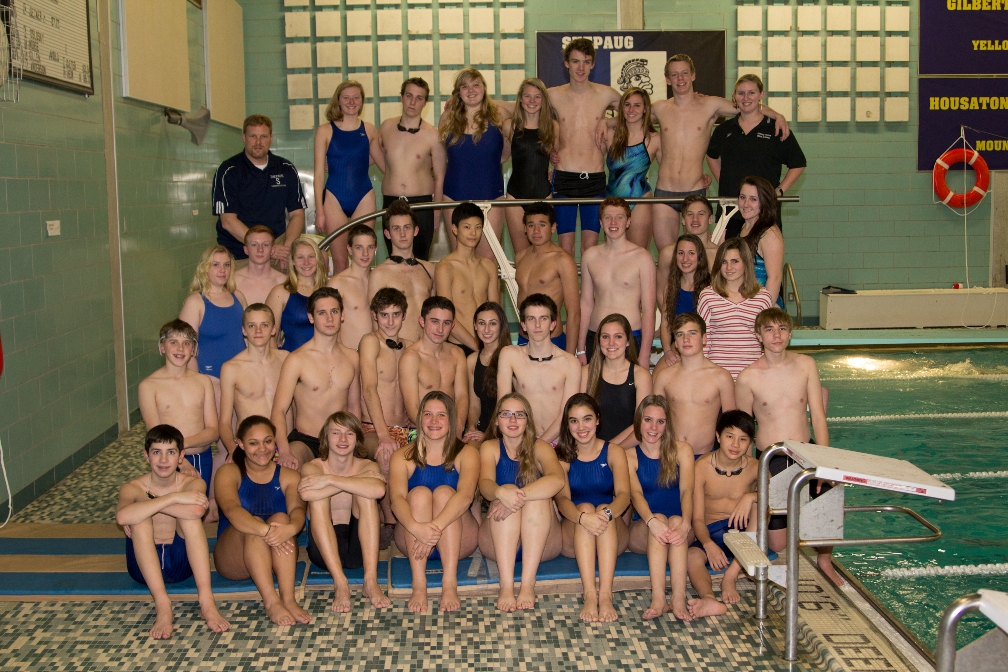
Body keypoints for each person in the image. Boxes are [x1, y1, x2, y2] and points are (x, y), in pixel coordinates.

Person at [735, 308, 842, 585]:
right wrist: (751, 475)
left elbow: (817, 415)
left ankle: (824, 560)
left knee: (830, 498)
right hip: (772, 458)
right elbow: (744, 431)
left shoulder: (806, 364)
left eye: (782, 329)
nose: (776, 335)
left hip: (806, 450)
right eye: (769, 329)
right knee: (779, 545)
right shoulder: (748, 377)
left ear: (791, 333)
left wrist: (826, 462)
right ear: (758, 335)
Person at [640, 55, 787, 251]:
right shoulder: (659, 108)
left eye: (684, 73)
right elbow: (629, 116)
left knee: (697, 256)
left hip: (694, 190)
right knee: (667, 255)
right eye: (674, 74)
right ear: (667, 79)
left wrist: (777, 115)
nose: (680, 78)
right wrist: (606, 122)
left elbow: (747, 105)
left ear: (693, 75)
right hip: (664, 192)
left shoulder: (710, 105)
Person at [115, 424, 229, 639]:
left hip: (181, 563)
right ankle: (163, 605)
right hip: (142, 569)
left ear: (181, 457)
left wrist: (144, 505)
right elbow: (122, 517)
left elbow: (196, 510)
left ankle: (207, 602)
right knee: (140, 522)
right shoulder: (132, 488)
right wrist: (172, 498)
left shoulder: (193, 483)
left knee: (189, 519)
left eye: (171, 452)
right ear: (146, 456)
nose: (164, 460)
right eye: (156, 452)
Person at [213, 415, 311, 626]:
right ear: (239, 444)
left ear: (275, 441)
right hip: (234, 557)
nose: (262, 449)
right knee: (254, 525)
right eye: (253, 443)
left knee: (282, 519)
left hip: (278, 553)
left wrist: (290, 528)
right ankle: (271, 601)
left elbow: (297, 510)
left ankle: (288, 598)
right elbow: (231, 510)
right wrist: (267, 532)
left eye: (267, 441)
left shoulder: (289, 476)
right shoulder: (228, 472)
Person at [389, 391, 480, 613]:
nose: (434, 421)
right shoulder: (402, 456)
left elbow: (466, 496)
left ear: (451, 419)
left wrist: (433, 531)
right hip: (414, 540)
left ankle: (449, 583)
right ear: (419, 419)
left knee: (445, 494)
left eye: (441, 415)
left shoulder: (467, 453)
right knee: (418, 494)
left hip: (457, 539)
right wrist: (417, 528)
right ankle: (419, 584)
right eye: (428, 414)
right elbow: (396, 500)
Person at [477, 393, 565, 611]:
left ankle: (528, 584)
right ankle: (506, 585)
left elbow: (557, 480)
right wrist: (500, 492)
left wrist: (517, 497)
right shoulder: (489, 448)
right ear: (496, 421)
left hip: (541, 543)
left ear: (528, 421)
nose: (513, 420)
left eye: (519, 415)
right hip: (499, 541)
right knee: (505, 490)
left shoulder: (541, 447)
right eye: (506, 414)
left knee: (535, 498)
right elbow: (485, 485)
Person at [298, 411, 392, 611]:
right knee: (318, 498)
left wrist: (330, 480)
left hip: (358, 549)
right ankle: (340, 583)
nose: (342, 439)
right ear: (325, 438)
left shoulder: (367, 465)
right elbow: (307, 495)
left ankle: (370, 581)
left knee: (366, 496)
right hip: (322, 553)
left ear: (357, 439)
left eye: (349, 433)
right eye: (336, 433)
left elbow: (379, 490)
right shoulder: (313, 466)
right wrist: (356, 481)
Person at [554, 393, 631, 623]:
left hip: (610, 530)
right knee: (586, 506)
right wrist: (582, 517)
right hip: (574, 531)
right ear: (567, 425)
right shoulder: (562, 456)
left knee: (603, 507)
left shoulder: (614, 451)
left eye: (587, 419)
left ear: (598, 419)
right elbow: (562, 501)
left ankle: (605, 595)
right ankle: (590, 594)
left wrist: (605, 514)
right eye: (574, 421)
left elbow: (625, 496)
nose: (581, 427)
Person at [271, 287, 361, 469]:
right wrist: (284, 451)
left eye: (334, 311)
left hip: (342, 441)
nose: (329, 319)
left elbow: (353, 407)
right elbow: (278, 410)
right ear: (311, 317)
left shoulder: (352, 357)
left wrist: (356, 443)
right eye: (322, 313)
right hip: (306, 441)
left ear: (342, 315)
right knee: (290, 466)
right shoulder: (296, 359)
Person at [547, 38, 621, 255]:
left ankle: (589, 291)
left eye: (586, 62)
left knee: (591, 248)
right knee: (565, 248)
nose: (581, 67)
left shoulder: (606, 94)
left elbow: (639, 110)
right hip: (564, 178)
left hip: (594, 179)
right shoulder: (553, 95)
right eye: (576, 61)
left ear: (593, 64)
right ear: (566, 63)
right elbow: (521, 106)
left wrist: (608, 121)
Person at [624, 396, 695, 621]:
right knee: (660, 518)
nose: (653, 428)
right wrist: (652, 522)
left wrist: (685, 524)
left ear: (667, 425)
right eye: (648, 420)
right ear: (638, 422)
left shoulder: (682, 450)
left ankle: (678, 597)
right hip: (644, 528)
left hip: (678, 530)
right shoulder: (629, 456)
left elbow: (687, 492)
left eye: (660, 422)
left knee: (673, 520)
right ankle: (658, 598)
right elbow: (635, 495)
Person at [706, 74, 806, 232]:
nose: (746, 98)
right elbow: (711, 156)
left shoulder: (776, 128)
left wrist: (778, 191)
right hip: (731, 211)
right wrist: (723, 180)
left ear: (761, 95)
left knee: (764, 256)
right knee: (728, 256)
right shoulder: (723, 130)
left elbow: (798, 164)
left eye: (751, 92)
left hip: (764, 210)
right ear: (734, 97)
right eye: (741, 93)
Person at [686, 410, 759, 618]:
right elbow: (697, 518)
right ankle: (708, 598)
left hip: (745, 536)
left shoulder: (755, 468)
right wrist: (708, 545)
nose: (735, 445)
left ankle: (731, 576)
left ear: (750, 443)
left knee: (760, 505)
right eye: (730, 436)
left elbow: (776, 498)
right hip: (711, 533)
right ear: (718, 436)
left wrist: (750, 497)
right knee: (691, 556)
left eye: (743, 439)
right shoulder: (702, 467)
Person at [213, 114, 306, 269]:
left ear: (271, 138)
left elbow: (297, 214)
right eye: (252, 136)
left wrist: (287, 249)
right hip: (240, 252)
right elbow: (228, 221)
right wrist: (263, 248)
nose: (258, 142)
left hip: (278, 250)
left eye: (263, 136)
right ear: (244, 137)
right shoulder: (229, 171)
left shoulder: (285, 168)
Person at [138, 320, 218, 495]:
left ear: (194, 350)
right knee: (170, 515)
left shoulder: (203, 381)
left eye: (186, 343)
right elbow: (155, 434)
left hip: (200, 458)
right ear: (162, 347)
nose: (180, 348)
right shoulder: (149, 386)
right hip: (166, 460)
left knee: (195, 512)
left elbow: (213, 431)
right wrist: (179, 459)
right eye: (173, 342)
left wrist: (182, 447)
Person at [359, 288, 413, 541]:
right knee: (385, 455)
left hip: (406, 428)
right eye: (384, 315)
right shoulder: (370, 342)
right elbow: (369, 388)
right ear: (374, 316)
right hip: (373, 427)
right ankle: (391, 524)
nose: (390, 322)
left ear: (404, 316)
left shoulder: (411, 347)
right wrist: (382, 434)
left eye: (395, 315)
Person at [372, 78, 446, 261]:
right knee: (394, 260)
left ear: (425, 103)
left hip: (422, 205)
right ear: (402, 97)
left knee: (420, 261)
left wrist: (436, 214)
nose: (413, 102)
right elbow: (372, 157)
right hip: (391, 202)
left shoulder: (432, 135)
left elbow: (440, 178)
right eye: (409, 96)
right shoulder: (386, 127)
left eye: (419, 98)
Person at [577, 197, 656, 368]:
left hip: (630, 336)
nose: (613, 222)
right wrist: (580, 348)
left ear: (628, 222)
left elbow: (649, 311)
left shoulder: (642, 258)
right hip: (596, 335)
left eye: (619, 217)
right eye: (607, 217)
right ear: (600, 222)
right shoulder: (590, 256)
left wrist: (644, 354)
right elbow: (586, 304)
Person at [439, 69, 510, 257]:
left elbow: (521, 106)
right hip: (454, 196)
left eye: (476, 85)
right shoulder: (447, 118)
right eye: (464, 87)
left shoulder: (498, 115)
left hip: (491, 197)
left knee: (488, 262)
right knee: (460, 262)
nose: (471, 90)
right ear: (458, 92)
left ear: (484, 88)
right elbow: (441, 160)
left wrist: (489, 102)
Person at [496, 294, 582, 445]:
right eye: (531, 319)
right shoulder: (510, 355)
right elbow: (503, 405)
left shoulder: (570, 363)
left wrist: (539, 445)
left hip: (558, 440)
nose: (537, 325)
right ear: (523, 325)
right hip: (522, 439)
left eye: (543, 318)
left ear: (553, 324)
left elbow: (566, 413)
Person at [313, 80, 378, 273]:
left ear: (362, 101)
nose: (351, 101)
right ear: (338, 101)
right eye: (346, 97)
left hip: (363, 196)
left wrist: (348, 163)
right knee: (341, 263)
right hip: (334, 197)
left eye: (356, 97)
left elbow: (384, 161)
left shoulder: (369, 129)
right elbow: (317, 173)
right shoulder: (325, 130)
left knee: (363, 261)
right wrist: (320, 211)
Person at [652, 313, 737, 457]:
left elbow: (731, 424)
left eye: (692, 333)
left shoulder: (721, 377)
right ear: (676, 343)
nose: (686, 339)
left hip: (706, 456)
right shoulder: (664, 376)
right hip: (672, 454)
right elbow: (653, 418)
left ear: (704, 339)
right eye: (680, 334)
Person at [179, 245, 248, 405]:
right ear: (205, 269)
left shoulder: (238, 296)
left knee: (241, 427)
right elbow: (186, 348)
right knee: (220, 428)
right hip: (211, 378)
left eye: (226, 265)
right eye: (215, 265)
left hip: (241, 374)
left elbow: (247, 338)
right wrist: (196, 382)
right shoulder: (195, 302)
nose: (222, 270)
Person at [218, 304, 289, 459]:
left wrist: (289, 448)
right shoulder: (231, 368)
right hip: (250, 448)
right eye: (252, 326)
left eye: (264, 325)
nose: (258, 331)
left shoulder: (286, 359)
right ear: (244, 330)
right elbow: (224, 422)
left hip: (285, 445)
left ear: (273, 329)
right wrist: (233, 449)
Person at [697, 239, 774, 379]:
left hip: (753, 374)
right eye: (724, 262)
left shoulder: (763, 297)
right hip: (717, 375)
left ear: (746, 263)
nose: (728, 267)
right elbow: (703, 339)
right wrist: (703, 373)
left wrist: (766, 373)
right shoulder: (708, 295)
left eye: (735, 261)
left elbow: (767, 341)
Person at [434, 203, 501, 356]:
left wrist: (492, 345)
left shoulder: (488, 266)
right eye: (467, 227)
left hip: (487, 343)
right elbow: (447, 316)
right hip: (459, 345)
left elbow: (495, 311)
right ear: (455, 229)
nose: (473, 233)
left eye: (478, 227)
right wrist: (478, 348)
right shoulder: (445, 268)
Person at [514, 201, 580, 353]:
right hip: (524, 338)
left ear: (553, 227)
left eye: (542, 225)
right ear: (525, 228)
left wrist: (570, 355)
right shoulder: (520, 257)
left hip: (552, 339)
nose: (536, 230)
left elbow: (574, 313)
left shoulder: (563, 260)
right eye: (531, 225)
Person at [399, 296, 469, 437]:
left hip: (452, 430)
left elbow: (462, 395)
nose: (440, 329)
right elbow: (412, 406)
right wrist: (433, 433)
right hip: (420, 431)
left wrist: (459, 425)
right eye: (434, 321)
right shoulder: (411, 357)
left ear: (453, 325)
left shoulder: (457, 354)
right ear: (422, 321)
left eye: (446, 323)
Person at [368, 199, 435, 344]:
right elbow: (376, 327)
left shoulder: (430, 270)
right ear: (387, 233)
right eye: (396, 228)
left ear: (415, 230)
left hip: (428, 352)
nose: (402, 234)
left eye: (407, 227)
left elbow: (437, 314)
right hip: (398, 352)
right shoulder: (379, 274)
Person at [503, 78, 558, 254]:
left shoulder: (552, 127)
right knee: (521, 255)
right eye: (527, 96)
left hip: (544, 195)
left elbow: (558, 158)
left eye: (537, 97)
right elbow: (502, 157)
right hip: (515, 198)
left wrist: (552, 170)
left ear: (544, 101)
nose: (532, 101)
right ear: (520, 99)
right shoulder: (509, 126)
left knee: (542, 254)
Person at [602, 87, 660, 249]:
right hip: (612, 200)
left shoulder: (654, 139)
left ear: (645, 109)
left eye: (637, 105)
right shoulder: (610, 135)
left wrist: (701, 176)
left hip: (640, 199)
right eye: (627, 105)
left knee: (637, 253)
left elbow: (671, 168)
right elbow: (591, 162)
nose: (631, 110)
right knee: (613, 256)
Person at [581, 314, 652, 446]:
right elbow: (579, 420)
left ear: (628, 341)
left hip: (628, 449)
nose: (611, 343)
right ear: (598, 341)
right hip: (591, 449)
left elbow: (641, 425)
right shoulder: (586, 372)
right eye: (605, 337)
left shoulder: (641, 376)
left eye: (618, 336)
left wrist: (610, 450)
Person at [265, 236, 328, 353]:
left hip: (324, 364)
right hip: (290, 362)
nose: (306, 262)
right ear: (293, 261)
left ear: (318, 259)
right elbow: (269, 337)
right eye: (300, 257)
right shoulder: (280, 293)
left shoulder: (328, 292)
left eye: (311, 257)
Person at [656, 234, 712, 357]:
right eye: (681, 253)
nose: (685, 259)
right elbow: (665, 323)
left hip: (704, 347)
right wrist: (668, 351)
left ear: (699, 257)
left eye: (691, 253)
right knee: (659, 374)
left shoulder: (711, 286)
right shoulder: (670, 287)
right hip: (679, 343)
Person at [464, 302, 511, 443]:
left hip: (507, 430)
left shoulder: (512, 356)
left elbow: (508, 403)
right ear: (475, 326)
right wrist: (472, 428)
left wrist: (489, 436)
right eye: (482, 323)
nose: (487, 329)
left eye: (492, 323)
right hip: (481, 429)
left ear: (501, 326)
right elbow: (474, 404)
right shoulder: (472, 360)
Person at [326, 223, 378, 350]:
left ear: (376, 249)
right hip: (350, 356)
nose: (365, 253)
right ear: (349, 249)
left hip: (378, 356)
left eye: (370, 247)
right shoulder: (337, 284)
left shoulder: (379, 281)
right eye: (359, 247)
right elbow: (329, 324)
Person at [736, 176, 786, 307]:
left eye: (753, 199)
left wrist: (763, 313)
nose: (746, 204)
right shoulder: (744, 227)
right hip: (744, 303)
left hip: (763, 308)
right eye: (742, 197)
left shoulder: (770, 234)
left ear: (764, 202)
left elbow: (774, 278)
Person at [233, 226, 287, 305]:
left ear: (272, 250)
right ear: (246, 250)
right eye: (254, 245)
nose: (260, 250)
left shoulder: (284, 282)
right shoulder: (232, 282)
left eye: (265, 245)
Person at [679, 194, 719, 268]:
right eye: (690, 214)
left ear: (710, 219)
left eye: (700, 214)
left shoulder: (719, 254)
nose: (695, 219)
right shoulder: (669, 254)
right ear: (683, 220)